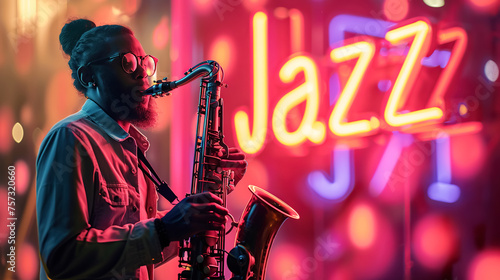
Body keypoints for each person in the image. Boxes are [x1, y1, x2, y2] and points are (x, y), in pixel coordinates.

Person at [36, 19, 247, 280]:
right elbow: (62, 257)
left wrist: (210, 196)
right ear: (89, 77)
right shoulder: (70, 138)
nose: (143, 74)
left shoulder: (132, 148)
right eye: (128, 62)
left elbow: (134, 257)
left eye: (145, 62)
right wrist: (164, 230)